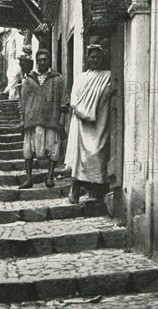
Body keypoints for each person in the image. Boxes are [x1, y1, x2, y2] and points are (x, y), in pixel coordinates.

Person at [65, 45, 111, 204]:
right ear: (87, 58)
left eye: (98, 57)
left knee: (97, 154)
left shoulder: (108, 76)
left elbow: (108, 96)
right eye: (92, 57)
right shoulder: (80, 78)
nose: (95, 60)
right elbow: (74, 99)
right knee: (80, 158)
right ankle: (75, 187)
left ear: (103, 58)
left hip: (99, 124)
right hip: (81, 123)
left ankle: (95, 191)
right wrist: (85, 112)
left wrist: (92, 113)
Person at [18, 49, 69, 188]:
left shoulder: (57, 79)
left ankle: (49, 177)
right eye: (39, 60)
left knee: (53, 149)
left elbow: (64, 101)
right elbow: (22, 100)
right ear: (36, 61)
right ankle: (29, 179)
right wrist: (22, 118)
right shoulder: (29, 79)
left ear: (49, 60)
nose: (42, 62)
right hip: (32, 119)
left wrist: (61, 120)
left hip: (51, 119)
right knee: (29, 150)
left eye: (45, 59)